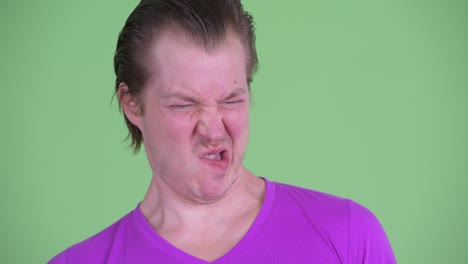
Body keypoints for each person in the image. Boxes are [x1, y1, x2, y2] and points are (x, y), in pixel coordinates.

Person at [49, 0, 396, 263]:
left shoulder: (349, 237)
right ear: (132, 104)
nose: (214, 131)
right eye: (184, 105)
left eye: (231, 100)